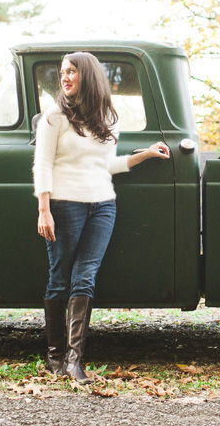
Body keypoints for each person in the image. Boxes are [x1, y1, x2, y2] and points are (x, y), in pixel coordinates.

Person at [33, 51, 170, 384]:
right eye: (62, 72)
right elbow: (43, 164)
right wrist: (44, 209)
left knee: (85, 277)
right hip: (65, 204)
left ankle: (74, 362)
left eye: (71, 72)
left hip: (103, 205)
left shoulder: (108, 116)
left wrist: (145, 155)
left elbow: (107, 165)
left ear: (88, 76)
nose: (64, 78)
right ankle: (55, 357)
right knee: (59, 277)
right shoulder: (53, 117)